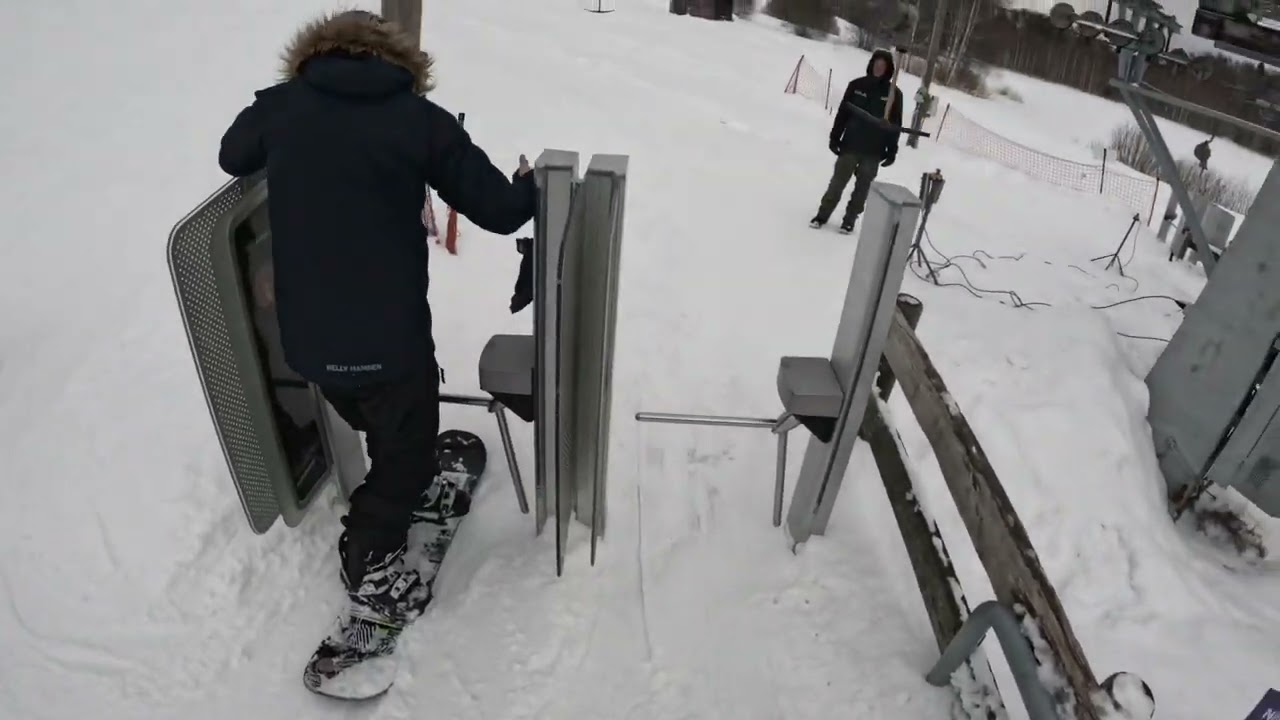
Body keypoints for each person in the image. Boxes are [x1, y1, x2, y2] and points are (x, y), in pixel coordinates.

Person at [217, 9, 537, 619]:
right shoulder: (419, 121)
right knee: (406, 447)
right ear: (396, 59)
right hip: (390, 340)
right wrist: (530, 184)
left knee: (377, 420)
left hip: (307, 339)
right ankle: (369, 552)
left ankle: (396, 482)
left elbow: (233, 154)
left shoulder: (282, 109)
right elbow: (500, 210)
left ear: (315, 53)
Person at [810, 48, 904, 234]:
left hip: (874, 150)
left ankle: (849, 221)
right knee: (837, 184)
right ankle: (822, 215)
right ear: (871, 64)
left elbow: (896, 125)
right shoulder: (856, 85)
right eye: (876, 64)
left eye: (883, 65)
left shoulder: (894, 94)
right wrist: (835, 136)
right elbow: (843, 113)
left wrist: (891, 150)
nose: (879, 68)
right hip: (850, 145)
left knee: (862, 189)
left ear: (889, 69)